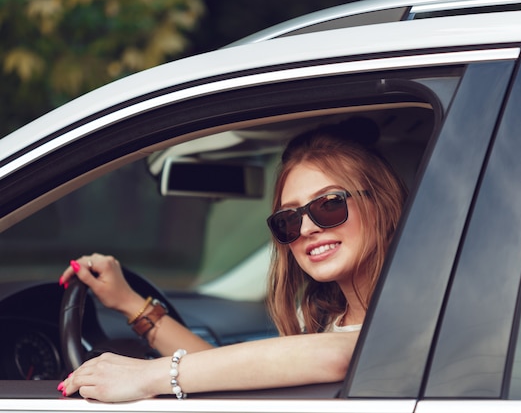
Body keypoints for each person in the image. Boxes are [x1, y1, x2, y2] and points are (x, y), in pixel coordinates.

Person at [57, 117, 407, 402]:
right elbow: (228, 370)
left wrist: (146, 376)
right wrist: (130, 303)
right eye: (289, 219)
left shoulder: (421, 308)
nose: (307, 229)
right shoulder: (322, 315)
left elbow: (340, 355)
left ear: (382, 203)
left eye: (329, 204)